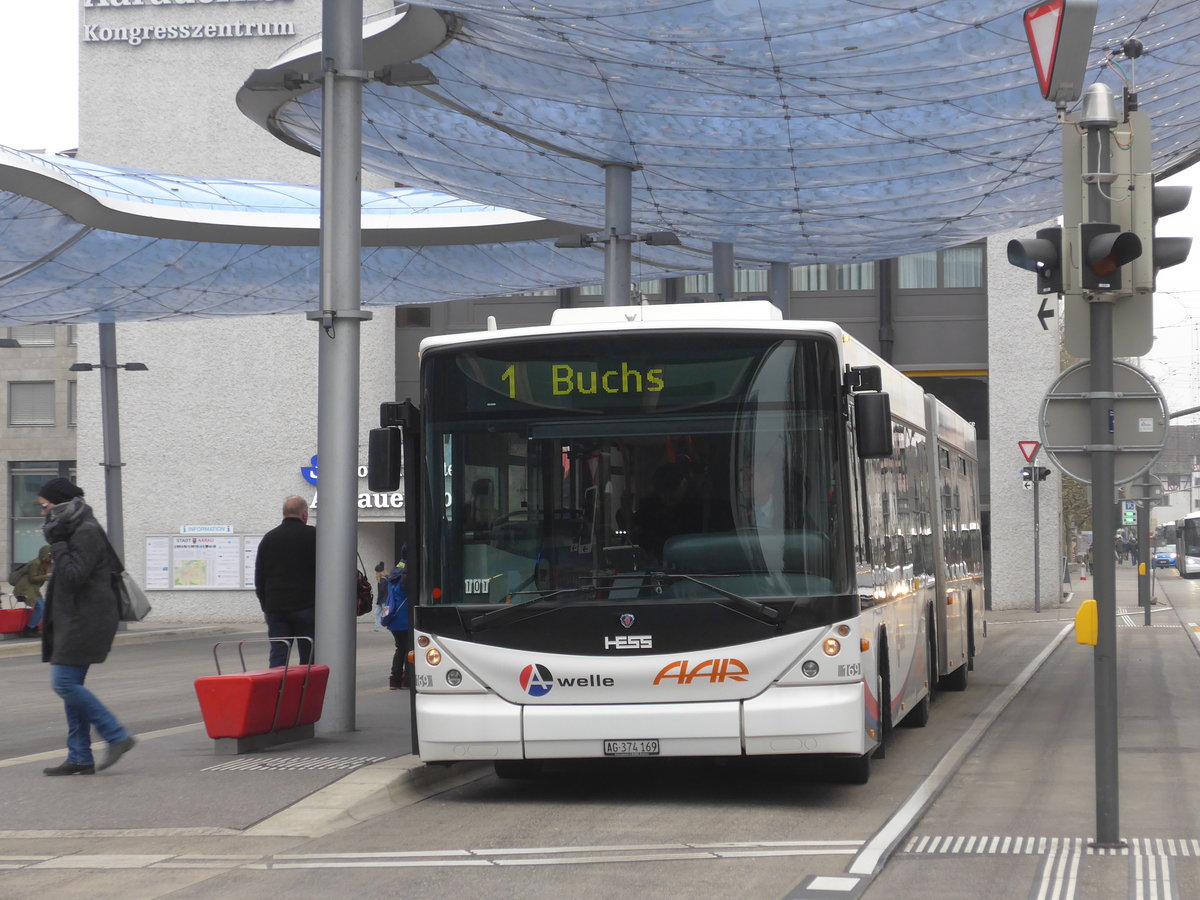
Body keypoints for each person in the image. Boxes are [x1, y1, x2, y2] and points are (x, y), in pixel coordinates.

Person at [38, 477, 136, 776]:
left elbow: (74, 575)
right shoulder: (76, 528)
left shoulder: (85, 531)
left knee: (64, 684)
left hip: (85, 620)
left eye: (44, 506)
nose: (42, 513)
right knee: (72, 687)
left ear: (60, 505)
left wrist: (57, 545)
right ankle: (80, 756)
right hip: (74, 618)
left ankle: (116, 735)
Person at [254, 496, 317, 668]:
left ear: (284, 514)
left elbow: (259, 579)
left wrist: (266, 607)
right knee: (309, 655)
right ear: (304, 515)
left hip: (277, 608)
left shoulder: (269, 538)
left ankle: (277, 691)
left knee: (278, 654)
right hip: (307, 607)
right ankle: (306, 690)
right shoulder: (314, 536)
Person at [382, 560, 410, 689]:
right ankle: (407, 677)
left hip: (393, 621)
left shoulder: (391, 580)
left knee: (400, 649)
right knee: (409, 650)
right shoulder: (405, 580)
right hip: (405, 621)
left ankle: (395, 679)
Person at [12, 545, 51, 637]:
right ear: (44, 555)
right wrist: (46, 576)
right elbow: (32, 578)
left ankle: (34, 628)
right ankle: (29, 629)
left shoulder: (43, 564)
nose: (51, 558)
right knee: (40, 607)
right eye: (49, 556)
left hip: (33, 589)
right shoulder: (36, 563)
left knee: (44, 607)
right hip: (24, 589)